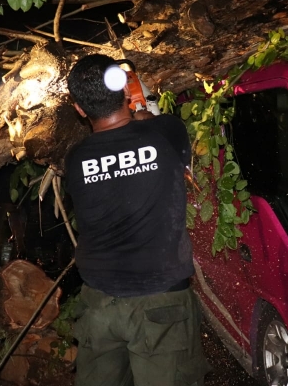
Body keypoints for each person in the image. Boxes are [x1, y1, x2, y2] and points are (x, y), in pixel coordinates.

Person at [65, 54, 209, 386]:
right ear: (126, 91)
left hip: (99, 304)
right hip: (161, 304)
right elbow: (177, 160)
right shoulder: (167, 131)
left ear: (79, 109)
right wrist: (145, 117)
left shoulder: (74, 159)